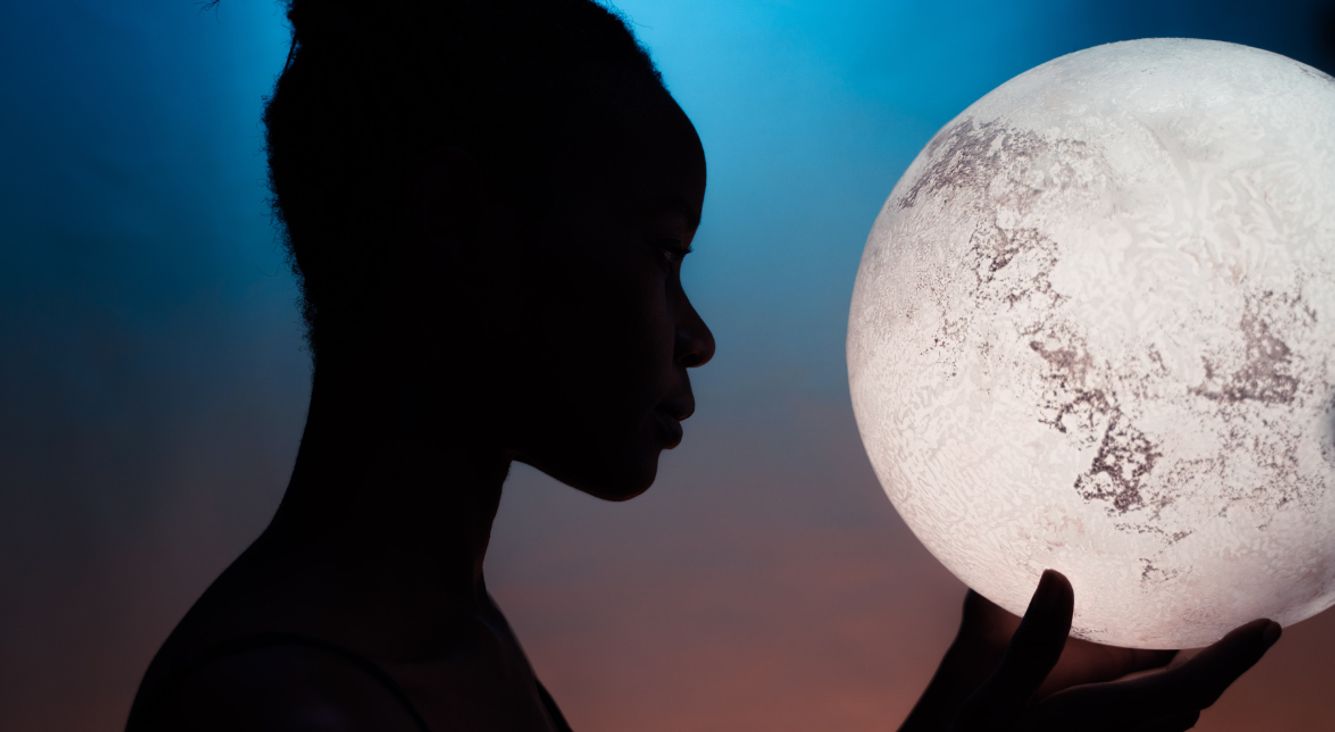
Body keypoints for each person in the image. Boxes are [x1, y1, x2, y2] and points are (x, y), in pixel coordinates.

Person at [124, 2, 1281, 730]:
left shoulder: (430, 636)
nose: (696, 334)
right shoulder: (289, 706)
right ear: (461, 228)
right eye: (662, 253)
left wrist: (972, 696)